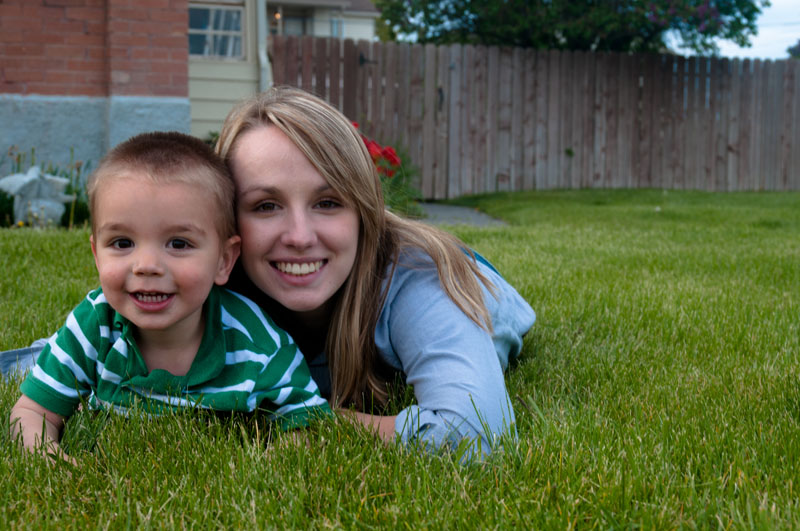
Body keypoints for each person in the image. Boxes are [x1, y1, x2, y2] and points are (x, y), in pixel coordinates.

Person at [215, 86, 535, 455]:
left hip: (477, 290)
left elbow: (476, 434)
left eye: (327, 202)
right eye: (266, 206)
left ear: (362, 212)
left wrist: (320, 420)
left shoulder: (419, 281)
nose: (300, 237)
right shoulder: (216, 291)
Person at [8, 131, 330, 458]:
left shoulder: (257, 344)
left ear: (223, 260)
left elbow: (308, 420)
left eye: (178, 243)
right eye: (122, 243)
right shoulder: (94, 325)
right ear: (96, 254)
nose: (147, 266)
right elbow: (32, 411)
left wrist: (275, 460)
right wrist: (49, 458)